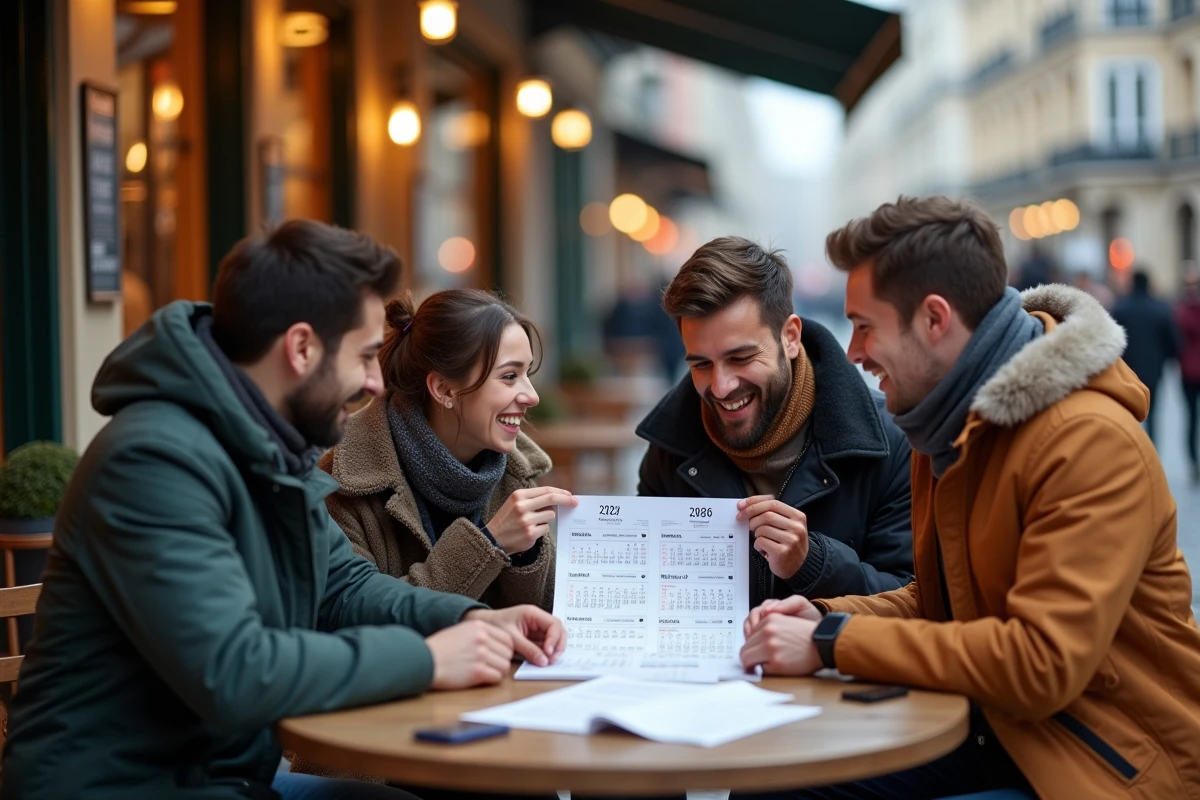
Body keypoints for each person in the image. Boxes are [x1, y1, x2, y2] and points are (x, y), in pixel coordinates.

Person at [0, 220, 565, 800]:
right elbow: (233, 671)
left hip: (225, 773)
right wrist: (425, 659)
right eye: (364, 355)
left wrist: (469, 620)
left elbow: (344, 588)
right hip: (122, 785)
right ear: (301, 348)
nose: (376, 381)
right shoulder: (154, 461)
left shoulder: (266, 446)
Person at [739, 196, 1200, 800]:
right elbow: (942, 601)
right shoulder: (946, 426)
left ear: (935, 319)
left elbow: (1039, 663)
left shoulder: (1088, 441)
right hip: (1002, 731)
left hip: (1106, 763)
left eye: (866, 326)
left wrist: (832, 644)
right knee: (773, 784)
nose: (853, 352)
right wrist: (827, 618)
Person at [636, 237, 913, 609]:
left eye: (741, 357)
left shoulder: (890, 443)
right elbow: (641, 592)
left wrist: (812, 563)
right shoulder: (670, 447)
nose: (720, 386)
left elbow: (912, 599)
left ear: (790, 338)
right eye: (701, 364)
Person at [316, 288, 569, 606]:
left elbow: (550, 613)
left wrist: (525, 553)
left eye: (527, 374)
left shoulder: (517, 473)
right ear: (443, 389)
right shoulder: (342, 481)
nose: (532, 396)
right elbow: (355, 611)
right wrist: (489, 543)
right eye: (509, 376)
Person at [1110, 269, 1181, 444]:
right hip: (1154, 371)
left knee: (1128, 413)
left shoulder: (1121, 309)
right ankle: (1151, 448)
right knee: (1153, 414)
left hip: (1127, 371)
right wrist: (1166, 358)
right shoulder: (1160, 309)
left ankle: (1130, 449)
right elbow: (1173, 342)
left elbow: (1111, 340)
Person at [1177, 265, 1200, 483]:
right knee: (1192, 417)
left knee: (1191, 418)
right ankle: (1194, 462)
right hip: (1189, 372)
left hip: (1189, 370)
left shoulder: (1182, 309)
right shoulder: (1182, 308)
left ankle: (1194, 462)